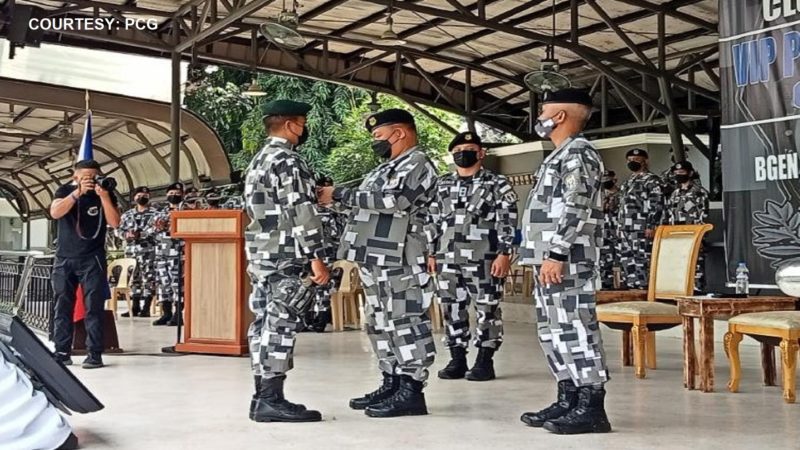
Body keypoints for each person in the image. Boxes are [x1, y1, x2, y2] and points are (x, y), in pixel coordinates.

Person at [318, 109, 438, 418]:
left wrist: (340, 194)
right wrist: (331, 203)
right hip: (376, 256)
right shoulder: (383, 169)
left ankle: (411, 389)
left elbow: (394, 201)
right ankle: (391, 379)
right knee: (379, 322)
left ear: (399, 133)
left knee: (406, 320)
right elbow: (365, 209)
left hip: (403, 256)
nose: (376, 143)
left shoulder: (418, 163)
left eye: (378, 136)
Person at [518, 88, 611, 434]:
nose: (539, 115)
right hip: (550, 259)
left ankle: (591, 406)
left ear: (559, 116)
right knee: (553, 331)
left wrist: (556, 252)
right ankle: (568, 396)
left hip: (568, 259)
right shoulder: (559, 154)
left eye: (544, 110)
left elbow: (576, 205)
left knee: (575, 328)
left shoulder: (579, 154)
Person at [244, 100, 330, 423]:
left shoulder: (259, 160)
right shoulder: (288, 161)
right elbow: (301, 213)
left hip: (262, 255)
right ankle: (271, 398)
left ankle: (261, 394)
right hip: (285, 256)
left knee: (263, 323)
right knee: (281, 323)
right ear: (292, 125)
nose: (304, 130)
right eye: (303, 124)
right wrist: (316, 257)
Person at [427, 131, 517, 382]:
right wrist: (431, 252)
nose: (462, 154)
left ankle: (484, 360)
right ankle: (457, 359)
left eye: (468, 149)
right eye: (457, 151)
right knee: (451, 308)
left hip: (484, 258)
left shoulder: (497, 184)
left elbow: (507, 220)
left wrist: (505, 252)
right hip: (447, 258)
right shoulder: (442, 184)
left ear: (481, 153)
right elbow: (432, 220)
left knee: (487, 309)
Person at [49, 159, 121, 369]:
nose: (90, 180)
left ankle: (94, 353)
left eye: (93, 176)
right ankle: (62, 351)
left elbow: (115, 222)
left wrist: (104, 196)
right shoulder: (64, 190)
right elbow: (55, 212)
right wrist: (77, 193)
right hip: (65, 258)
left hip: (93, 258)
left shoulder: (103, 192)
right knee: (62, 305)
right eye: (85, 176)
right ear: (75, 176)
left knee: (94, 307)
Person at [616, 148, 664, 290]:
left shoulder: (652, 181)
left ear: (645, 161)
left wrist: (652, 225)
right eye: (630, 160)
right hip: (626, 228)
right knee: (627, 259)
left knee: (643, 259)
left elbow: (657, 204)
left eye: (636, 160)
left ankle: (645, 289)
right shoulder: (628, 182)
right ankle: (632, 287)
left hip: (641, 227)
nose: (632, 162)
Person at [304, 175, 346, 333]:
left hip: (323, 251)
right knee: (319, 285)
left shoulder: (311, 209)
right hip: (323, 251)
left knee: (320, 285)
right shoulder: (330, 208)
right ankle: (316, 317)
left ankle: (319, 318)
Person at [665, 161, 710, 292]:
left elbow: (704, 215)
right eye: (676, 173)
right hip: (677, 236)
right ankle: (682, 290)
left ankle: (697, 290)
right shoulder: (675, 193)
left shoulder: (699, 192)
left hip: (693, 235)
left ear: (690, 173)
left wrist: (701, 237)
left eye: (682, 173)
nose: (679, 175)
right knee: (680, 265)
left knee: (695, 264)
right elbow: (670, 215)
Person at [117, 186, 157, 317]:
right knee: (135, 279)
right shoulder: (127, 215)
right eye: (139, 195)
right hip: (132, 252)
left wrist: (142, 234)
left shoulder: (155, 214)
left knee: (149, 279)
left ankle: (146, 307)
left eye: (145, 195)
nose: (142, 197)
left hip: (149, 251)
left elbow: (157, 230)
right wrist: (126, 235)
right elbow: (117, 230)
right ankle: (134, 307)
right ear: (134, 198)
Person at [150, 183, 186, 326]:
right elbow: (148, 231)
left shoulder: (187, 211)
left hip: (179, 253)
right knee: (163, 284)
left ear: (182, 194)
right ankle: (166, 313)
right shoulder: (159, 212)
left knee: (177, 285)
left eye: (177, 193)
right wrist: (159, 227)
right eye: (171, 193)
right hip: (161, 253)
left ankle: (178, 314)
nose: (174, 195)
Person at [599, 171, 621, 289]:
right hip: (604, 233)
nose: (605, 182)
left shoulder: (622, 194)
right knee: (604, 262)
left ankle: (624, 286)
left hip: (618, 232)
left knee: (623, 261)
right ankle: (606, 286)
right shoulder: (599, 196)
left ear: (614, 179)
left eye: (608, 179)